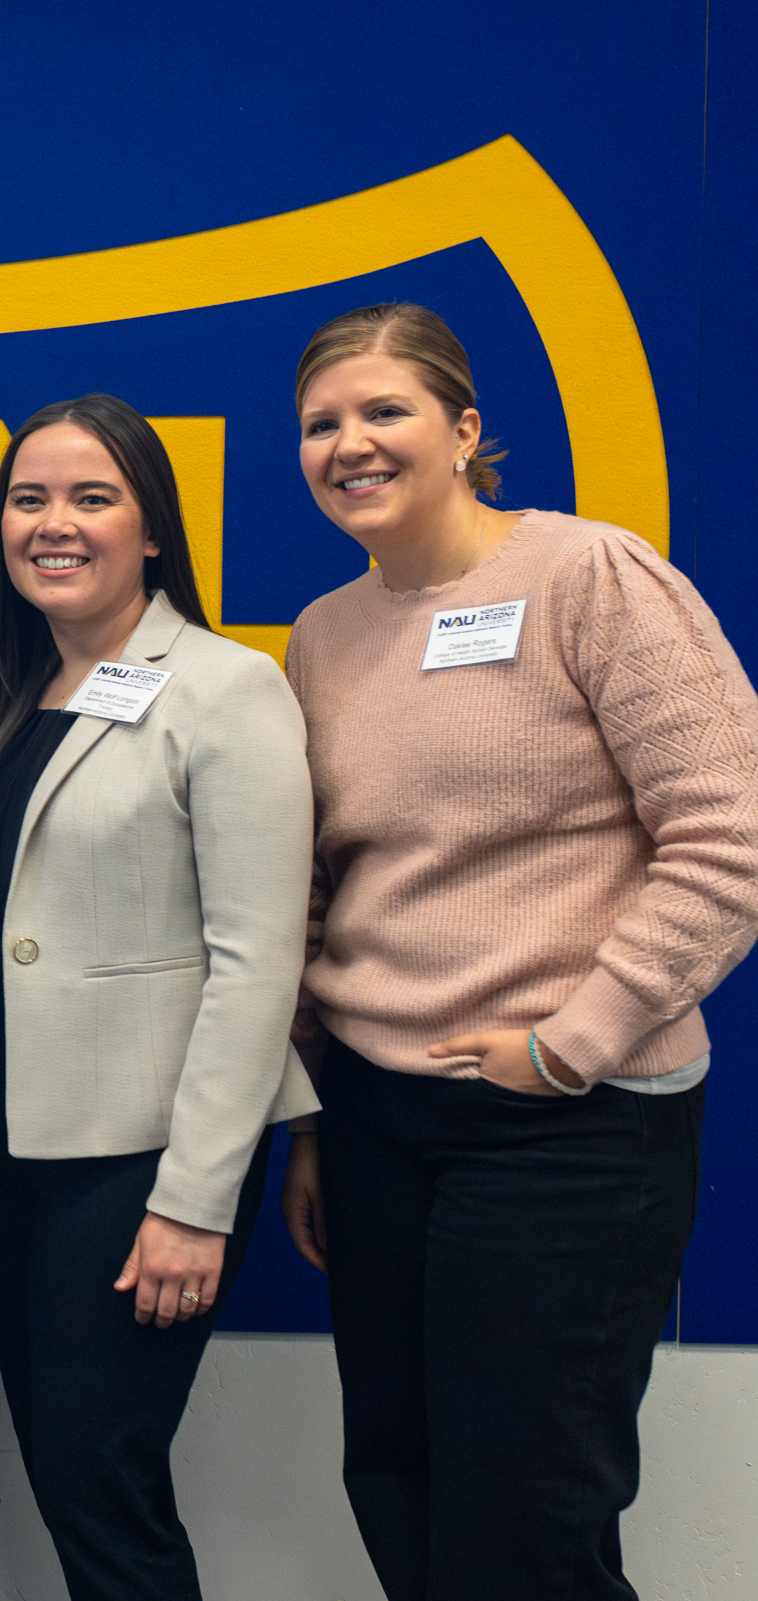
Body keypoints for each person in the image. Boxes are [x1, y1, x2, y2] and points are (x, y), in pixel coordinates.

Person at [273, 302, 758, 1601]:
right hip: (379, 1117)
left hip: (569, 1122)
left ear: (466, 429)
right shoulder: (326, 633)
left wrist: (572, 1044)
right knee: (400, 1473)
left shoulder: (593, 577)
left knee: (525, 1503)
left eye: (386, 412)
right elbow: (323, 886)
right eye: (323, 423)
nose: (351, 444)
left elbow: (730, 836)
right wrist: (318, 1118)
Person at [0, 393, 318, 1599]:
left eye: (93, 497)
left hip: (142, 1162)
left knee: (101, 1472)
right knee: (65, 1471)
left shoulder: (224, 685)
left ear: (152, 528)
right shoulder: (5, 697)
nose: (55, 523)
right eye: (28, 499)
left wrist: (196, 1198)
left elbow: (257, 957)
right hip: (8, 1156)